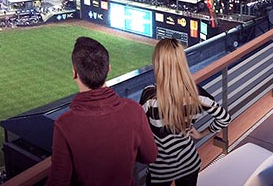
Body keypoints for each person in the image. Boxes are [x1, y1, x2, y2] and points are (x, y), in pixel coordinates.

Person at [48, 37, 157, 186]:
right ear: (108, 69)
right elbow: (150, 156)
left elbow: (58, 182)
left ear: (75, 73)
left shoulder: (65, 124)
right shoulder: (134, 110)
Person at [141, 39, 231, 186]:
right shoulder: (197, 94)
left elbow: (140, 131)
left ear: (158, 62)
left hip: (160, 169)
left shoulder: (149, 96)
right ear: (182, 62)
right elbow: (225, 118)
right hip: (189, 163)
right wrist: (201, 133)